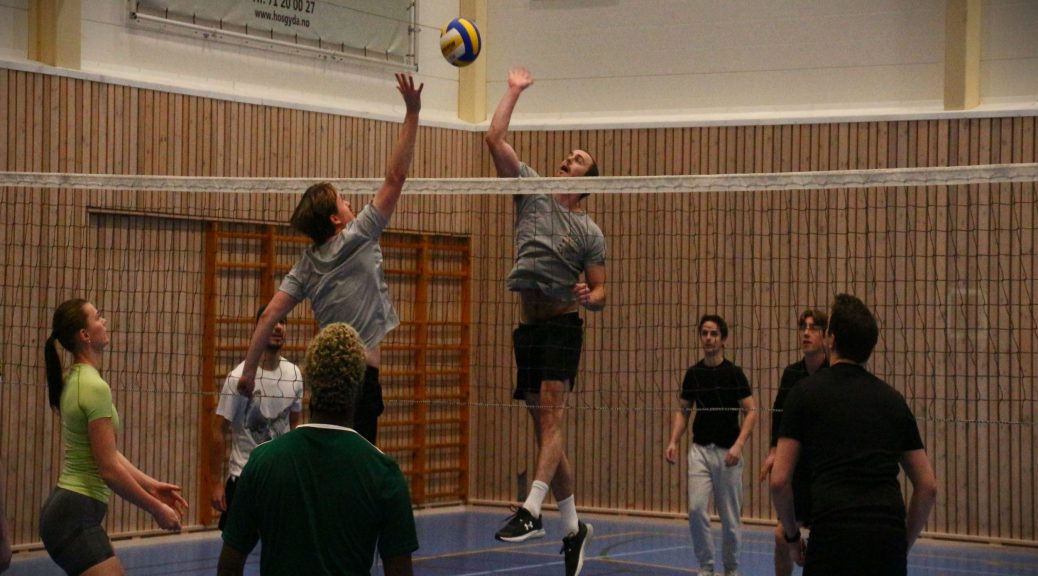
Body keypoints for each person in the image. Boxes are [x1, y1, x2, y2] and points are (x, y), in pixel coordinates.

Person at [235, 73, 423, 445]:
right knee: (356, 463)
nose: (350, 203)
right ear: (336, 220)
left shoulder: (306, 265)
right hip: (359, 378)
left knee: (326, 459)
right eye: (343, 201)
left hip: (324, 380)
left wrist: (249, 372)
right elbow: (396, 177)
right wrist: (413, 113)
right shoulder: (360, 234)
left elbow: (269, 315)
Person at [484, 66, 606, 576]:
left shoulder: (588, 231)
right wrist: (513, 91)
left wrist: (590, 296)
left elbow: (601, 291)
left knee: (553, 420)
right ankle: (574, 528)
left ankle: (532, 510)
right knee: (545, 432)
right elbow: (494, 138)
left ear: (586, 181)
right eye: (569, 154)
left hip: (561, 325)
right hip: (528, 328)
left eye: (578, 159)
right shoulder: (530, 188)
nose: (567, 158)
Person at [217, 323, 418, 576]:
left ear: (310, 383)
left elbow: (229, 566)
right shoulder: (384, 473)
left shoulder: (262, 461)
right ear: (359, 387)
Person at [770, 294, 938, 575]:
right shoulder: (894, 401)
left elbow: (778, 481)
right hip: (887, 539)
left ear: (831, 339)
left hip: (833, 537)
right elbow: (928, 486)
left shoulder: (803, 394)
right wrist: (902, 545)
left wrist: (792, 538)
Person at [40, 299, 187, 575]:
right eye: (98, 317)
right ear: (85, 335)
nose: (104, 321)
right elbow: (107, 469)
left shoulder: (76, 378)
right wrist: (155, 508)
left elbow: (109, 453)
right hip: (74, 515)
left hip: (70, 511)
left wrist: (151, 486)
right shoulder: (94, 387)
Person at [665, 314, 758, 576]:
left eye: (714, 333)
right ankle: (706, 566)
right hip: (700, 452)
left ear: (723, 339)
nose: (708, 338)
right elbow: (683, 411)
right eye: (704, 333)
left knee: (730, 518)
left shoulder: (734, 374)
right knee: (696, 509)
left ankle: (731, 568)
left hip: (728, 454)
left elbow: (751, 411)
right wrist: (673, 441)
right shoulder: (693, 374)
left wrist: (739, 445)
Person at [210, 306, 303, 530]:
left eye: (283, 322)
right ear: (259, 329)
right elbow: (218, 430)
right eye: (273, 322)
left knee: (282, 545)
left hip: (280, 480)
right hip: (245, 478)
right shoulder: (238, 377)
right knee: (234, 547)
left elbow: (295, 424)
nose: (278, 327)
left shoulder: (294, 375)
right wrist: (215, 484)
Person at [758, 309, 828, 576]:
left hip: (824, 472)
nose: (806, 333)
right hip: (798, 471)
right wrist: (773, 451)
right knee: (781, 537)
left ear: (826, 336)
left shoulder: (833, 373)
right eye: (803, 327)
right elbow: (779, 414)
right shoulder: (791, 374)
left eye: (813, 327)